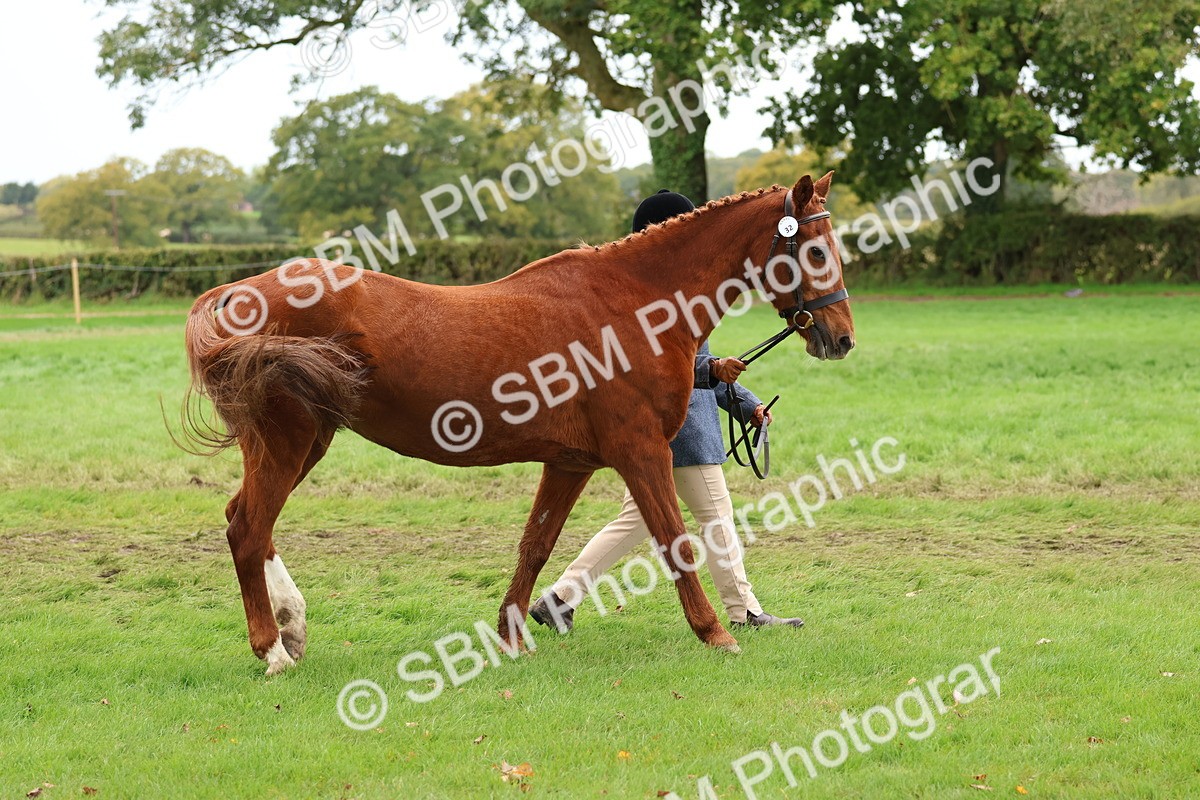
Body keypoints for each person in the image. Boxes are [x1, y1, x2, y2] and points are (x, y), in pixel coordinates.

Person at [529, 189, 805, 633]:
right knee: (717, 518)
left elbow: (693, 367)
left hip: (663, 432)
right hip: (685, 436)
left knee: (634, 521)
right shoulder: (661, 298)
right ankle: (745, 612)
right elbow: (659, 368)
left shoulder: (669, 289)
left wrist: (747, 405)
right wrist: (712, 368)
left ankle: (561, 598)